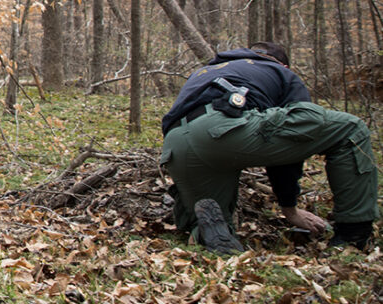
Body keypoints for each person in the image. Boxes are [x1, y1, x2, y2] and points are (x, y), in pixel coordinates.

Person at [160, 41, 378, 254]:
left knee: (212, 214)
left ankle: (205, 234)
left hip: (176, 144)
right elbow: (295, 136)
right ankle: (353, 234)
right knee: (350, 128)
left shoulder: (206, 70)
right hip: (223, 131)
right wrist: (289, 208)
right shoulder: (280, 72)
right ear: (283, 64)